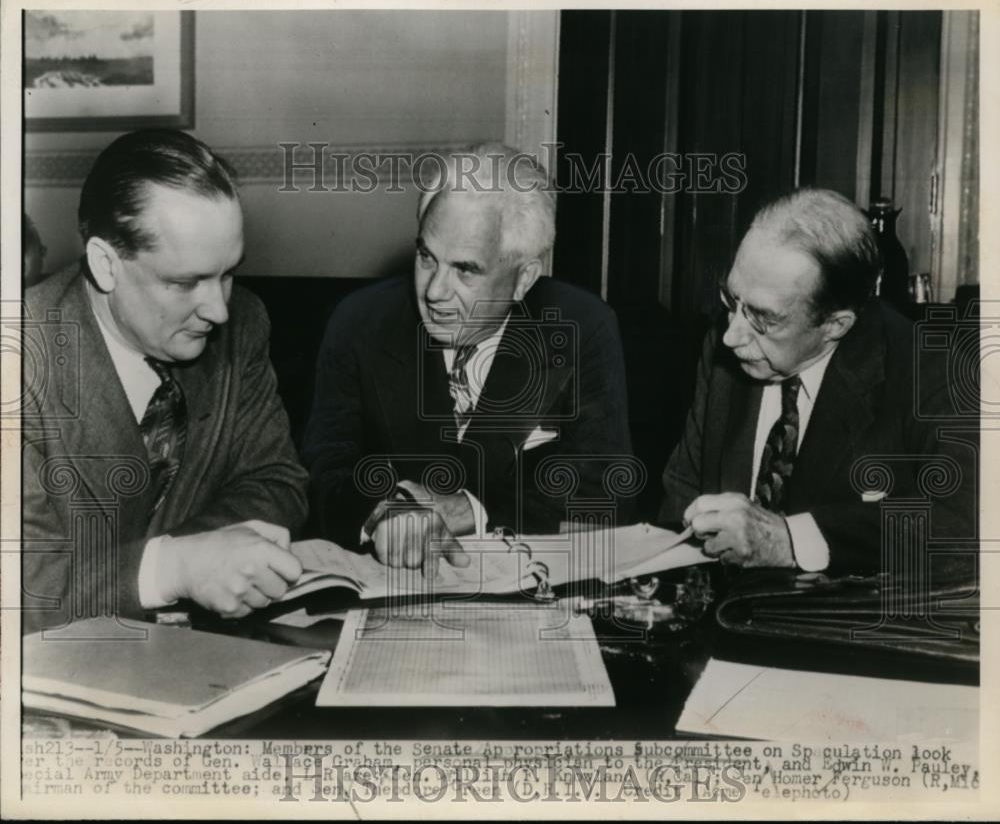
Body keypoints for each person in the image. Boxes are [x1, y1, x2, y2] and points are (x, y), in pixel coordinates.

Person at [22, 129, 308, 632]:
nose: (218, 309)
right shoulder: (20, 364)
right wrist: (173, 568)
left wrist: (196, 559)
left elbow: (276, 483)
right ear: (105, 265)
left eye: (227, 273)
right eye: (183, 283)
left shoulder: (243, 325)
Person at [303, 143, 634, 573]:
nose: (434, 291)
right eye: (426, 258)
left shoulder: (581, 328)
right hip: (394, 586)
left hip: (527, 588)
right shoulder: (359, 322)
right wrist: (384, 511)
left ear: (523, 279)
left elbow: (602, 497)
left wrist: (468, 509)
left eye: (465, 269)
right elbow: (323, 473)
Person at [659, 188, 976, 574]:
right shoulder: (724, 350)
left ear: (835, 325)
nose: (731, 335)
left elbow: (965, 527)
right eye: (731, 300)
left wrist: (789, 540)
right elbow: (680, 503)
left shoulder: (932, 375)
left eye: (763, 318)